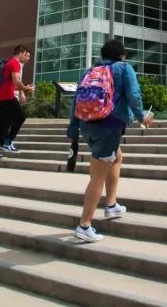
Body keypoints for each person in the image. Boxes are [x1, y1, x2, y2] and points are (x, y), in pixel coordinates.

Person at [66, 39, 151, 244]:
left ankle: (111, 204)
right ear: (121, 55)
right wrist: (143, 117)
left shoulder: (89, 72)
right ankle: (84, 225)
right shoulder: (124, 68)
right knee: (97, 176)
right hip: (109, 125)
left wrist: (72, 128)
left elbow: (76, 100)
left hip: (88, 124)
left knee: (117, 157)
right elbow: (134, 95)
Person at [0, 46, 34, 159]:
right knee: (20, 118)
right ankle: (7, 142)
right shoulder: (15, 63)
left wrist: (22, 89)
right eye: (26, 55)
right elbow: (16, 81)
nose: (27, 59)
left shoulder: (9, 63)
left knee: (1, 124)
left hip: (0, 98)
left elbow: (11, 84)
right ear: (22, 53)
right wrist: (26, 89)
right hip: (7, 97)